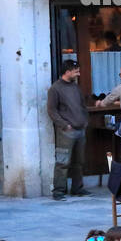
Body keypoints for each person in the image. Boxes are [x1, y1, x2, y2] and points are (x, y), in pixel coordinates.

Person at [47, 59, 89, 200]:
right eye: (76, 70)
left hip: (80, 129)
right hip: (66, 132)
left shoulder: (76, 87)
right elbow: (52, 111)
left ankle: (77, 188)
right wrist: (65, 125)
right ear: (67, 71)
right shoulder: (55, 88)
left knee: (79, 161)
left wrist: (85, 121)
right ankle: (58, 191)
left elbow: (82, 106)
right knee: (62, 162)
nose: (78, 73)